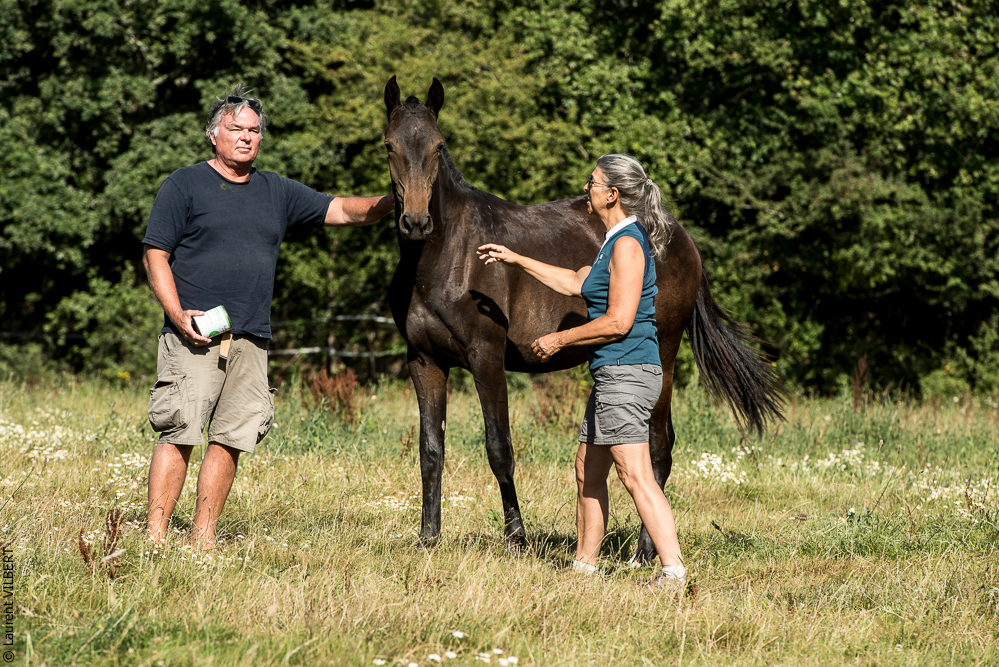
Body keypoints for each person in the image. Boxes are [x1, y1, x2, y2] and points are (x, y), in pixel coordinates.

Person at [142, 84, 394, 548]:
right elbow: (155, 253)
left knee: (231, 438)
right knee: (180, 431)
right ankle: (155, 538)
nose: (246, 137)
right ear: (214, 134)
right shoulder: (184, 185)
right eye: (236, 128)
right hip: (195, 334)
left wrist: (400, 196)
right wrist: (177, 315)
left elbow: (343, 210)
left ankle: (203, 540)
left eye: (254, 130)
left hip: (251, 337)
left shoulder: (276, 190)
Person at [477, 154, 685, 587]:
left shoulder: (628, 245)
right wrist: (516, 259)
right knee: (587, 469)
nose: (585, 189)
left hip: (628, 371)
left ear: (613, 194)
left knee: (634, 474)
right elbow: (575, 281)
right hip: (612, 374)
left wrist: (560, 339)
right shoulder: (613, 240)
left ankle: (673, 570)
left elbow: (619, 321)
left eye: (592, 182)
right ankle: (584, 568)